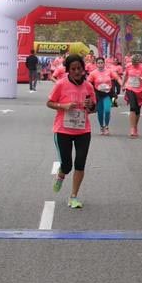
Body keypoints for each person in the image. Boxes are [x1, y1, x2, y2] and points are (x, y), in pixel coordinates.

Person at [46, 54, 96, 210]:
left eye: (79, 68)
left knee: (80, 163)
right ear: (68, 70)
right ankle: (61, 174)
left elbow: (93, 108)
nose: (76, 71)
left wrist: (90, 106)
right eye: (73, 69)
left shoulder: (88, 86)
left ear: (83, 69)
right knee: (67, 165)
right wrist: (64, 106)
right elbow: (49, 103)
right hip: (63, 130)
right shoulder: (61, 84)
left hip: (83, 130)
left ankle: (73, 196)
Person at [87, 57, 120, 136]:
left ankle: (107, 126)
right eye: (98, 63)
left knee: (107, 110)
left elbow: (117, 78)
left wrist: (123, 84)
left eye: (102, 63)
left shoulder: (109, 71)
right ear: (96, 64)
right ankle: (102, 126)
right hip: (98, 95)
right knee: (100, 112)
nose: (100, 64)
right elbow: (87, 83)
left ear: (104, 63)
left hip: (108, 94)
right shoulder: (93, 73)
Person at [122, 54, 142, 139]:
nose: (134, 65)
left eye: (136, 64)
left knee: (137, 109)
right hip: (130, 88)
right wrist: (122, 85)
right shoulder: (129, 66)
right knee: (133, 107)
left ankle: (135, 126)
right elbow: (126, 75)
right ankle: (132, 129)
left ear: (139, 62)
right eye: (133, 63)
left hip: (140, 90)